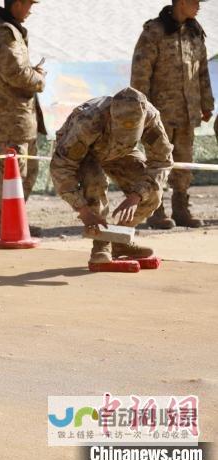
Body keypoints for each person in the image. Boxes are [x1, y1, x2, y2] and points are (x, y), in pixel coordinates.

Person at [50, 88, 173, 264]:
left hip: (121, 153)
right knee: (94, 185)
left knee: (152, 193)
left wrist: (136, 195)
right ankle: (101, 245)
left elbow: (162, 161)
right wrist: (83, 209)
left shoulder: (150, 117)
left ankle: (119, 240)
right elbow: (61, 166)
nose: (125, 135)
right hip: (87, 153)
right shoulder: (89, 120)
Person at [131, 0, 214, 229]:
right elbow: (140, 73)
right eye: (195, 1)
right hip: (160, 114)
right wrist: (141, 108)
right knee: (158, 163)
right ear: (181, 2)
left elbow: (203, 72)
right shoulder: (154, 32)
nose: (199, 6)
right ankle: (155, 210)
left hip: (187, 112)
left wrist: (207, 103)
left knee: (184, 162)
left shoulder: (195, 33)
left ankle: (181, 208)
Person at [0, 0, 46, 238]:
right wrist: (38, 78)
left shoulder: (11, 31)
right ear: (17, 4)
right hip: (10, 116)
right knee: (12, 171)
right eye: (28, 4)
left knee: (27, 170)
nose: (30, 9)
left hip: (19, 115)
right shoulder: (4, 34)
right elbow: (15, 73)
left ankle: (15, 218)